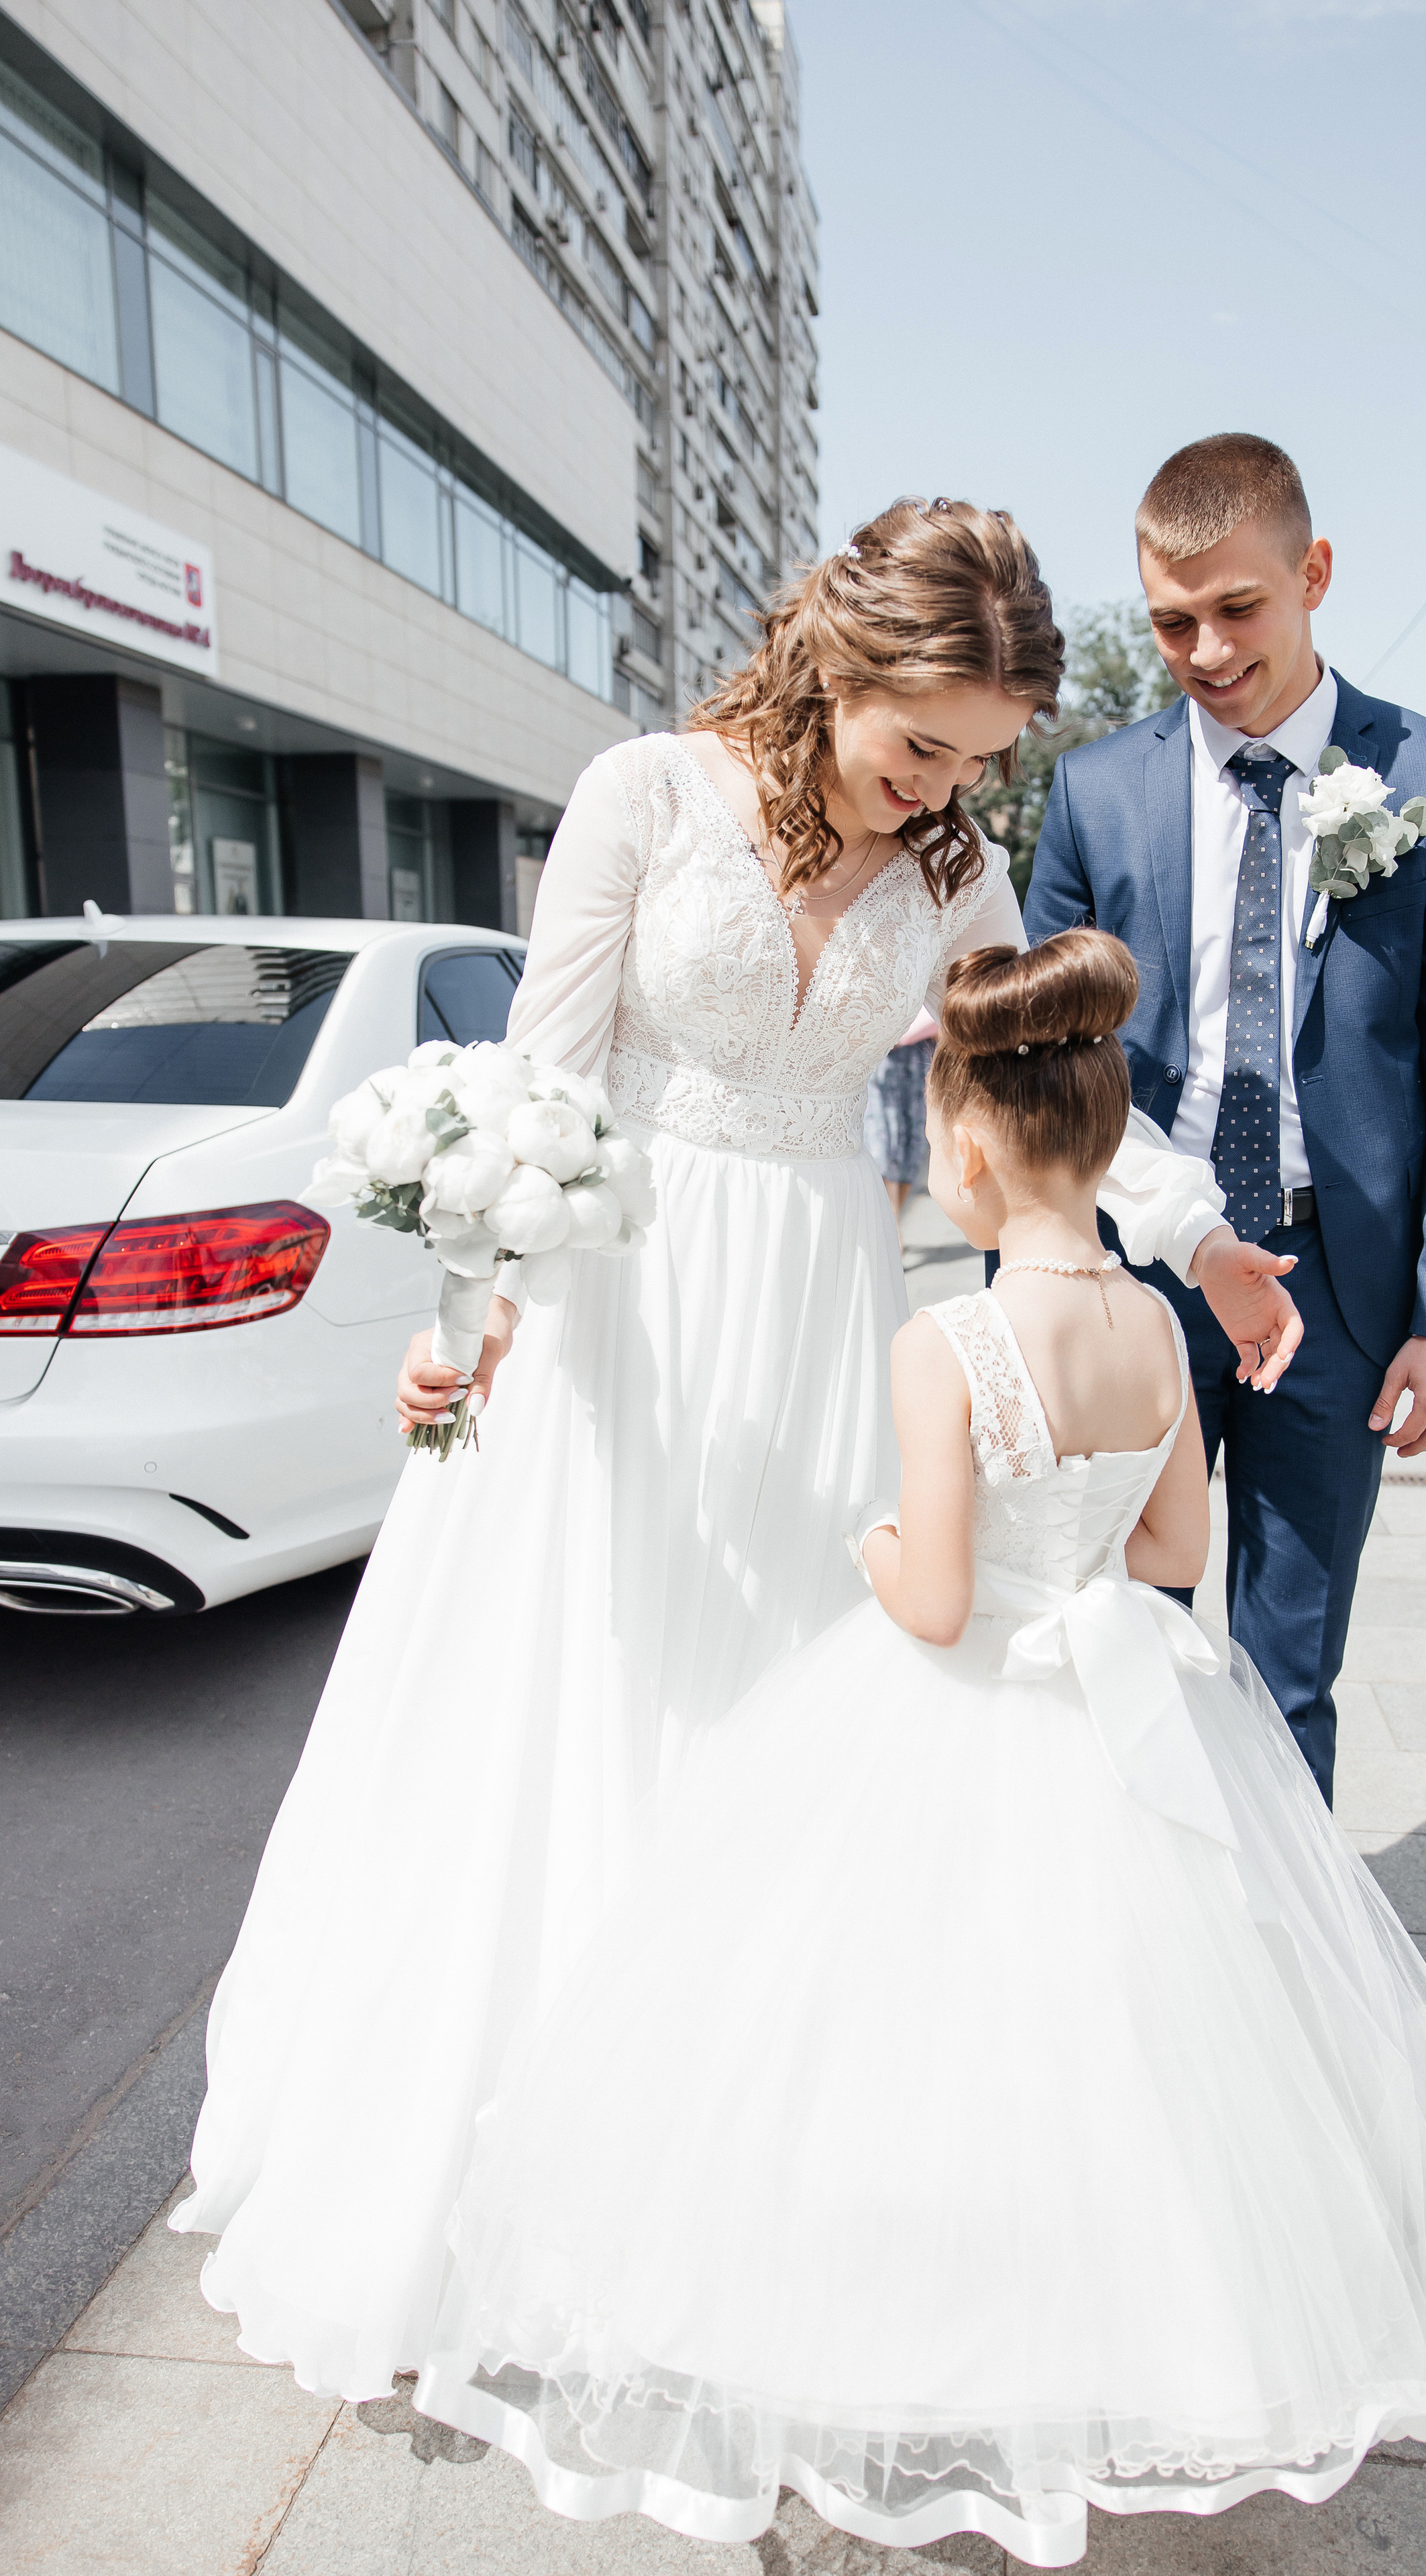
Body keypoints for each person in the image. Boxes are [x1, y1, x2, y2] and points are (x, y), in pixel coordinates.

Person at [170, 500, 1300, 2401]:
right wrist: (467, 1314)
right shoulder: (643, 794)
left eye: (973, 762)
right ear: (839, 660)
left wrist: (1191, 1237)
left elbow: (1044, 1078)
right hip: (621, 1302)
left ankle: (731, 2175)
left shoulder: (950, 868)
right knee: (582, 1696)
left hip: (814, 1304)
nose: (939, 790)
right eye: (920, 743)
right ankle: (508, 2177)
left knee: (778, 1710)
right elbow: (541, 1079)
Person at [416, 932, 1426, 2566]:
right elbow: (1171, 1554)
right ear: (1101, 1140)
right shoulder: (1158, 1329)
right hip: (1120, 1691)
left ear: (961, 1149)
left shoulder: (942, 1344)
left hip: (965, 1700)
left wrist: (872, 1541)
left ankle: (912, 2314)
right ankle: (1116, 2320)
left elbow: (936, 1606)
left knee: (897, 2021)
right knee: (1122, 2034)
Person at [1025, 434, 1426, 1805]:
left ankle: (1279, 1925)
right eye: (1169, 621)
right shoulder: (1094, 791)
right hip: (1135, 1278)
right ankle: (1142, 1901)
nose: (1203, 650)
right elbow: (1041, 1061)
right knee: (1116, 1635)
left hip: (1337, 1292)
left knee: (1287, 1668)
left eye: (1236, 607)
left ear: (1313, 575)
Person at [863, 1005, 938, 1236]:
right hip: (880, 1059)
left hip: (918, 1057)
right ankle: (891, 1229)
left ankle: (892, 1225)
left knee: (911, 1149)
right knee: (884, 1143)